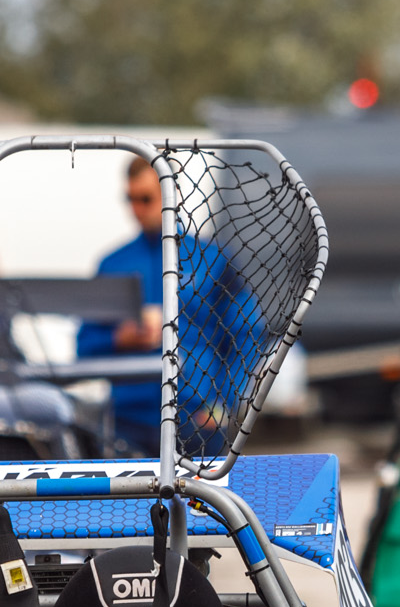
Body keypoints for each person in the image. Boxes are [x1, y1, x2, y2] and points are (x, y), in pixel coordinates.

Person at [75, 156, 266, 460]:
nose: (137, 209)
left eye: (146, 199)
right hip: (129, 421)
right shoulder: (113, 265)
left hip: (197, 419)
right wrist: (120, 339)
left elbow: (247, 333)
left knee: (203, 492)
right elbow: (84, 346)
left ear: (171, 194)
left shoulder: (211, 260)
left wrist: (226, 403)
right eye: (130, 199)